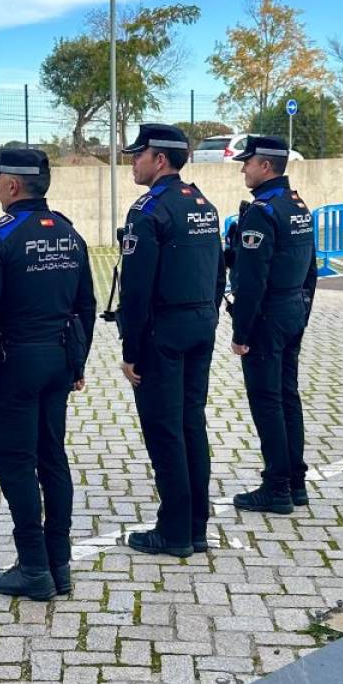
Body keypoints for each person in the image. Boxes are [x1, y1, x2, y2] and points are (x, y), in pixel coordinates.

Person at [0, 148, 96, 601]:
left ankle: (34, 568)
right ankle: (59, 564)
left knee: (17, 465)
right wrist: (78, 362)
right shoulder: (67, 232)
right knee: (52, 458)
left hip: (13, 366)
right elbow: (86, 305)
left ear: (13, 185)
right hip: (58, 360)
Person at [114, 123, 225, 558]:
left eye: (137, 155)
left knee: (165, 431)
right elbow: (219, 272)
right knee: (190, 423)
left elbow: (136, 291)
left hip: (164, 333)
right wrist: (210, 314)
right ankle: (196, 525)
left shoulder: (148, 211)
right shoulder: (203, 204)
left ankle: (174, 532)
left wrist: (130, 351)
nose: (132, 162)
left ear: (159, 159)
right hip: (200, 324)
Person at [226, 135, 316, 515]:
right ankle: (296, 481)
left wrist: (241, 333)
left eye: (247, 162)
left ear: (265, 166)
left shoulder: (262, 212)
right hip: (293, 309)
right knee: (287, 395)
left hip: (267, 317)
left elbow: (251, 280)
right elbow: (311, 268)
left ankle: (276, 487)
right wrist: (302, 311)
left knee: (267, 403)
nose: (243, 168)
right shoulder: (297, 205)